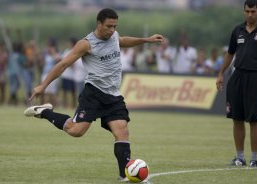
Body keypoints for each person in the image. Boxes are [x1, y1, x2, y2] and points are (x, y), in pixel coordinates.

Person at [24, 8, 164, 181]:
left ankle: (124, 176)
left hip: (113, 95)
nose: (112, 30)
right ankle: (44, 112)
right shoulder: (86, 44)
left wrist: (146, 40)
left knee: (122, 131)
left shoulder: (113, 35)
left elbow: (121, 41)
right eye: (108, 26)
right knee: (76, 131)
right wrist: (43, 85)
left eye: (114, 26)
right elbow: (63, 64)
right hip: (94, 93)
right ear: (98, 23)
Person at [216, 0, 257, 167]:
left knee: (254, 120)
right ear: (244, 11)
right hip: (237, 77)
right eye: (247, 11)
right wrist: (221, 73)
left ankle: (254, 158)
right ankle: (240, 157)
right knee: (237, 118)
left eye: (253, 11)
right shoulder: (237, 30)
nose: (250, 15)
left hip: (256, 77)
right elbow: (230, 54)